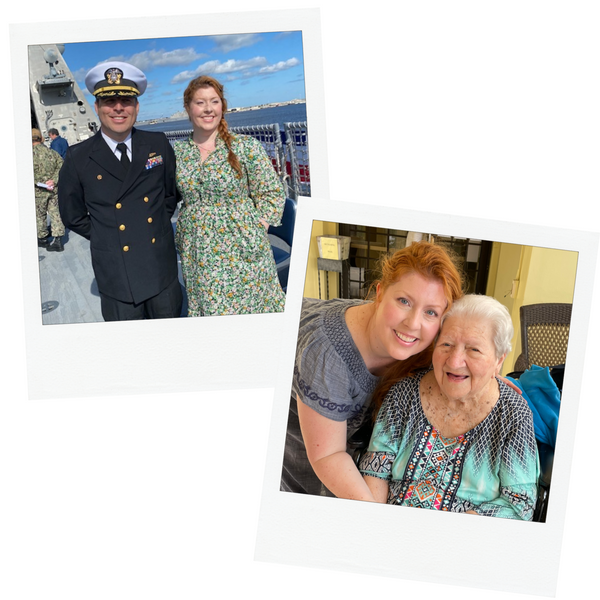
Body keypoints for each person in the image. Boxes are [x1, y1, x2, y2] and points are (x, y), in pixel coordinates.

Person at [280, 241, 464, 500]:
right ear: (379, 293)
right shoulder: (327, 355)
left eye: (431, 312)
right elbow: (327, 455)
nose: (413, 323)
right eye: (404, 301)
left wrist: (486, 381)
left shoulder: (428, 343)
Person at [360, 294, 540, 520]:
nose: (454, 362)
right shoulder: (403, 394)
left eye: (473, 350)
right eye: (446, 344)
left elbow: (518, 503)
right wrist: (376, 524)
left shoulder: (513, 413)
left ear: (498, 361)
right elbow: (375, 471)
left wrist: (450, 536)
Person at [58, 61, 182, 321]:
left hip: (160, 267)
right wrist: (108, 235)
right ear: (97, 107)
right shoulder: (78, 157)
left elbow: (171, 195)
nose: (118, 107)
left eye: (126, 100)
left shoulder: (157, 143)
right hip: (116, 275)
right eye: (109, 100)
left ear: (136, 107)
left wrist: (153, 225)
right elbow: (72, 215)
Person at [174, 75, 286, 316]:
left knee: (251, 311)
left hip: (241, 249)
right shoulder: (178, 152)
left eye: (214, 102)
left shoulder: (245, 147)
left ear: (222, 106)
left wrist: (258, 225)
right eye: (200, 102)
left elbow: (272, 192)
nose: (208, 109)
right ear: (187, 108)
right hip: (198, 251)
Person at [32, 128, 65, 252]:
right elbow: (61, 166)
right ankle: (58, 241)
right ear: (41, 138)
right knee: (55, 213)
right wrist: (53, 180)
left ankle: (43, 239)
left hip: (38, 191)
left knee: (39, 215)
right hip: (53, 189)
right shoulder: (52, 153)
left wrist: (40, 183)